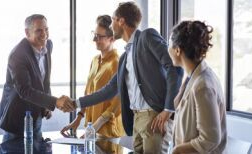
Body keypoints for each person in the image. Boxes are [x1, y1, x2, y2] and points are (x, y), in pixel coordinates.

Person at [71, 2, 183, 154]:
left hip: (154, 116)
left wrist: (168, 110)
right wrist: (75, 103)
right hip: (137, 118)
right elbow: (109, 90)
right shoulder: (125, 57)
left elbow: (174, 66)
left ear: (121, 21)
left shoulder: (147, 36)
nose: (111, 27)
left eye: (113, 21)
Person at [0, 14, 75, 143]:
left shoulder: (48, 45)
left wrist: (47, 105)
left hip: (35, 117)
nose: (44, 34)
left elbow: (45, 80)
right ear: (27, 32)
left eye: (46, 29)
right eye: (39, 30)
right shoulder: (18, 55)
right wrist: (55, 102)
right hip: (16, 120)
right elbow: (25, 90)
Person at [60, 15, 125, 139]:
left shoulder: (117, 63)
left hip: (107, 131)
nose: (95, 39)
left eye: (99, 37)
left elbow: (117, 103)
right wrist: (78, 118)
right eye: (94, 35)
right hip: (91, 128)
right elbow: (88, 93)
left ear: (112, 39)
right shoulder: (95, 60)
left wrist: (95, 127)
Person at [168, 20, 227, 154]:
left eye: (169, 44)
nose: (168, 49)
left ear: (177, 50)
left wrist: (178, 150)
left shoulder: (202, 85)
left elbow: (210, 139)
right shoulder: (192, 77)